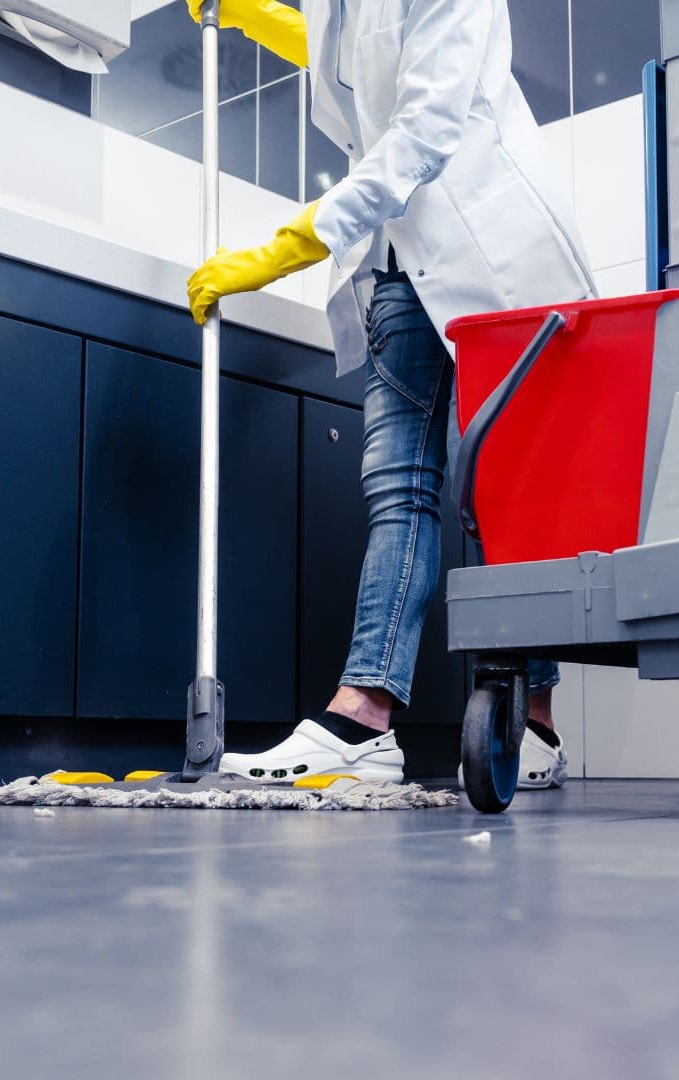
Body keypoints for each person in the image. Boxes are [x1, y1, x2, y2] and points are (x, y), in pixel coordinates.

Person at [183, 0, 595, 788]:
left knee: (507, 496)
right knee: (395, 486)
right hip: (398, 263)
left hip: (496, 260)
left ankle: (536, 721)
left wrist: (289, 245)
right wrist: (255, 16)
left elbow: (425, 127)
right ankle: (363, 718)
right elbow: (357, 58)